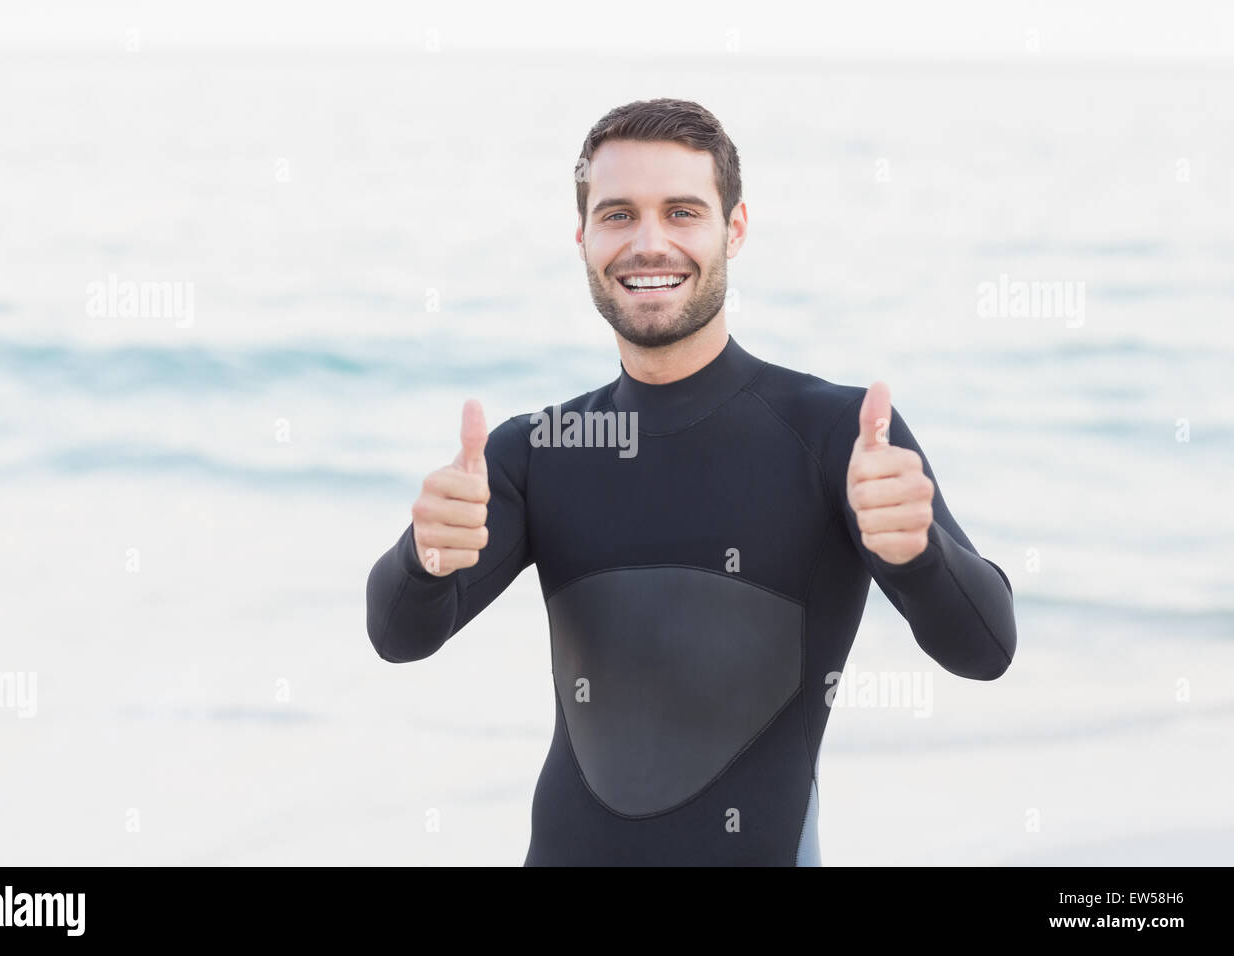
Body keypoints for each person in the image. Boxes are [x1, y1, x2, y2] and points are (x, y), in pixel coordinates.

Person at [366, 98, 1017, 866]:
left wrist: (919, 554)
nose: (649, 244)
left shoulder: (837, 434)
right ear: (582, 239)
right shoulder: (538, 450)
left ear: (733, 229)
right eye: (617, 216)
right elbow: (399, 637)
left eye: (682, 212)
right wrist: (425, 558)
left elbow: (985, 647)